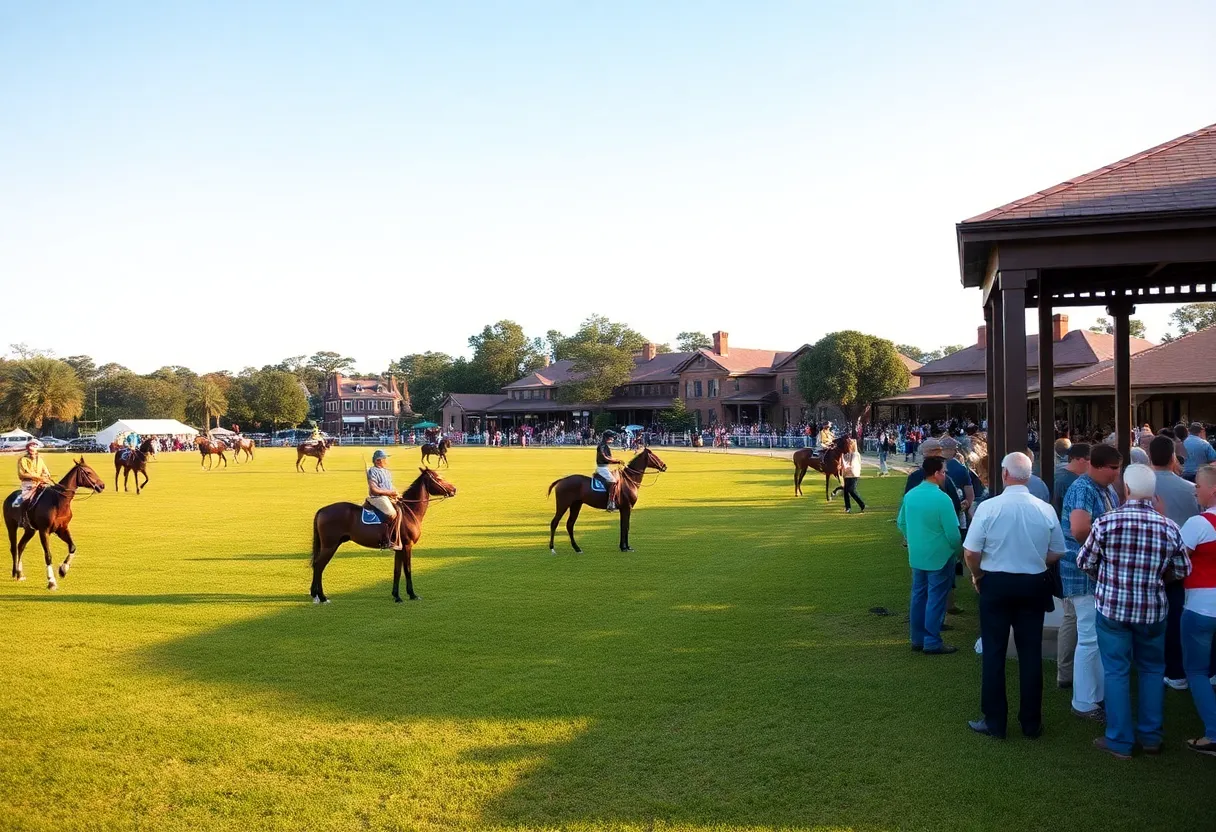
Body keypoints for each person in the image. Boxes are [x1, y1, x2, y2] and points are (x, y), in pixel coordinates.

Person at [1076, 464, 1191, 760]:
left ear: (1125, 489)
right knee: (1153, 670)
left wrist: (1106, 579)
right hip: (1152, 610)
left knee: (1116, 671)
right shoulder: (1168, 526)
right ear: (1153, 494)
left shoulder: (1106, 522)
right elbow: (1181, 569)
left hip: (1113, 608)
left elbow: (1084, 561)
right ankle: (1151, 737)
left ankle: (1120, 740)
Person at [964, 452, 1066, 739]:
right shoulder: (1045, 509)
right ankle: (1031, 722)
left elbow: (971, 551)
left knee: (994, 652)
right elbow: (1057, 550)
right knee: (1030, 653)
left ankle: (995, 721)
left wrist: (978, 574)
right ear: (1029, 476)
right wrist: (1035, 560)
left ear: (1005, 475)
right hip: (1033, 583)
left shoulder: (989, 507)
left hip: (996, 583)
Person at [1060, 443, 1124, 723]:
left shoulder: (1105, 488)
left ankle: (1093, 695)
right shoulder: (1083, 488)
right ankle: (1084, 703)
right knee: (1088, 638)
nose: (1116, 474)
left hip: (1096, 572)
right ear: (1096, 466)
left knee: (1096, 638)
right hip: (1082, 573)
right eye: (1112, 469)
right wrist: (1107, 544)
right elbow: (1078, 529)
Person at [1146, 435, 1201, 691]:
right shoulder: (1191, 490)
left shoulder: (1140, 490)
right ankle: (1177, 670)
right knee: (1177, 614)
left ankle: (1152, 666)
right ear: (1172, 458)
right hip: (1181, 564)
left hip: (1146, 563)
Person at [898, 457, 962, 654]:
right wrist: (959, 552)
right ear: (936, 473)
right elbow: (953, 533)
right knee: (936, 597)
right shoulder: (943, 499)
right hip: (940, 556)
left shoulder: (911, 495)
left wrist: (913, 538)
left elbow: (901, 522)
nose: (945, 475)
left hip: (917, 555)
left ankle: (917, 639)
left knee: (918, 596)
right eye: (944, 472)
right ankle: (932, 640)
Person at [1178, 465, 1216, 757]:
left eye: (1199, 486)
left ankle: (1213, 734)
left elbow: (1176, 561)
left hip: (1201, 607)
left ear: (1212, 490)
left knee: (1197, 671)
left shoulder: (1198, 523)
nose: (1195, 489)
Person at [1052, 442, 1091, 690]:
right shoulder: (1070, 483)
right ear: (1080, 460)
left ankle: (1066, 671)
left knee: (1071, 617)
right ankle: (1068, 673)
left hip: (1069, 555)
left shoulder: (1064, 478)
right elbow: (1075, 526)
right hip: (1074, 557)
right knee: (1073, 618)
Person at [365, 450, 401, 550]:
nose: (387, 461)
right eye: (385, 459)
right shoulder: (373, 471)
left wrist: (397, 493)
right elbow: (374, 489)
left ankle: (397, 535)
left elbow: (390, 486)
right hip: (377, 498)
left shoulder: (387, 472)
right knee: (391, 513)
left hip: (389, 497)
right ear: (378, 461)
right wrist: (390, 493)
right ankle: (386, 539)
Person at [15, 440, 53, 529]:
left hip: (40, 483)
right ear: (27, 448)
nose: (33, 448)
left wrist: (45, 477)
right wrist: (38, 477)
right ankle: (22, 518)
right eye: (31, 446)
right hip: (28, 483)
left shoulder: (40, 459)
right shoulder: (23, 459)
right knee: (26, 498)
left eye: (35, 446)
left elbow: (46, 471)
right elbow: (22, 474)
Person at [595, 430, 622, 511]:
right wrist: (616, 461)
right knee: (613, 482)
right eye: (611, 437)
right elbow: (604, 458)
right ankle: (610, 503)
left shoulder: (605, 446)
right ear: (606, 437)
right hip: (602, 468)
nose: (612, 439)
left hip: (605, 467)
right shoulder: (602, 446)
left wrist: (616, 460)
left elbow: (609, 458)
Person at [840, 438, 865, 514]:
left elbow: (848, 465)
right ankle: (848, 507)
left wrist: (842, 460)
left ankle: (862, 504)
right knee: (845, 492)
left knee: (851, 490)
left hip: (854, 474)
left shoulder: (855, 454)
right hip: (846, 474)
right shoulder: (846, 454)